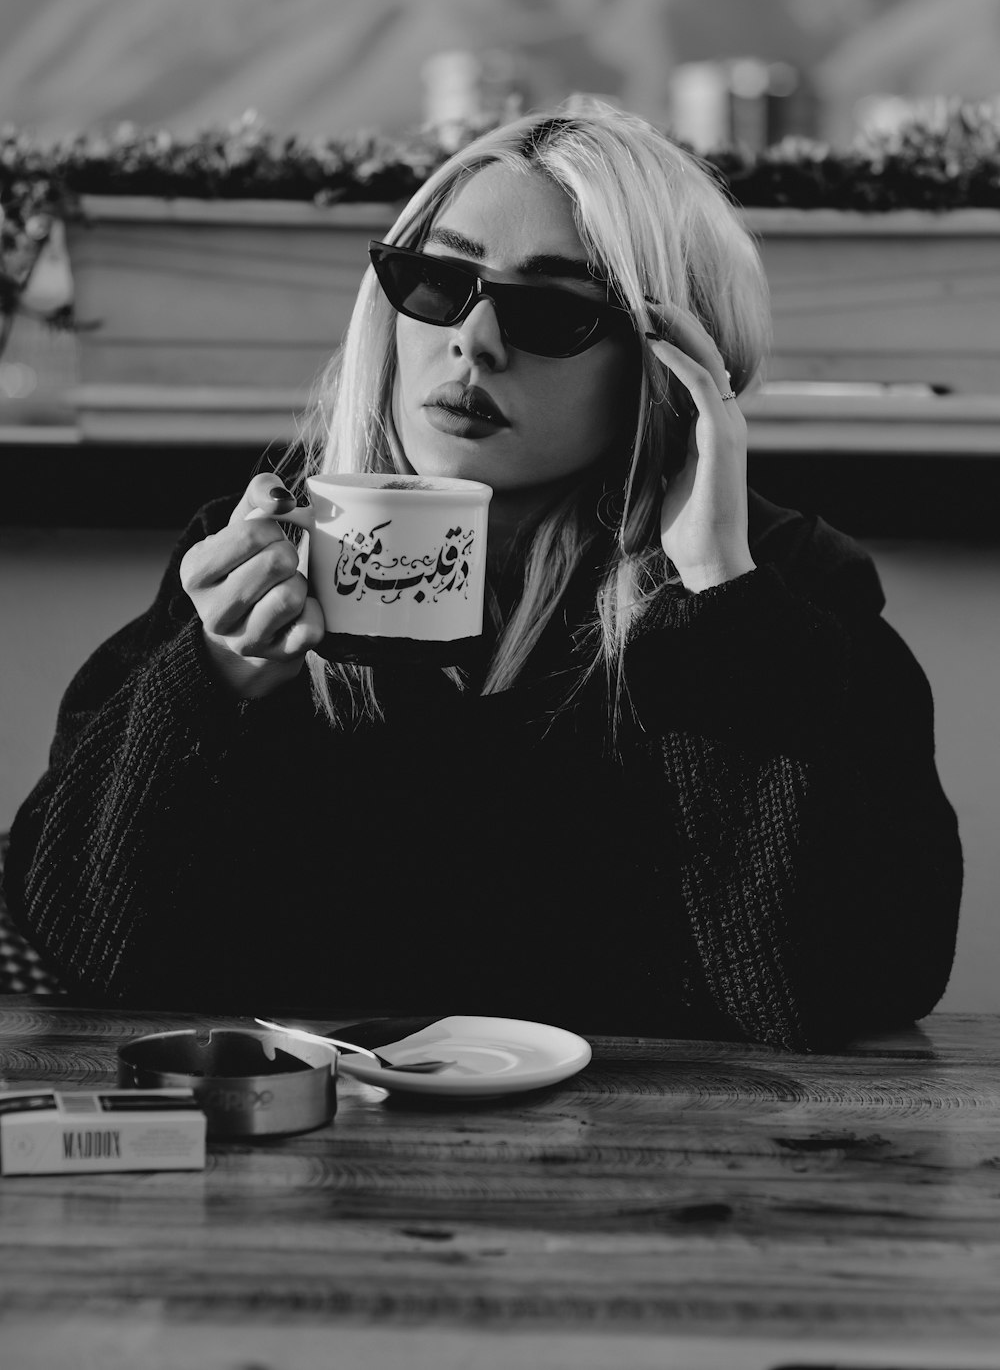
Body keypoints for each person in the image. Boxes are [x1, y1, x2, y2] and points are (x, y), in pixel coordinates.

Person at [4, 102, 963, 1051]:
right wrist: (215, 676)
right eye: (436, 281)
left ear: (665, 368)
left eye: (553, 310)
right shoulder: (253, 567)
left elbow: (837, 984)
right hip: (317, 1162)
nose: (474, 340)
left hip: (658, 1174)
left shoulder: (783, 593)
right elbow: (90, 955)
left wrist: (717, 591)